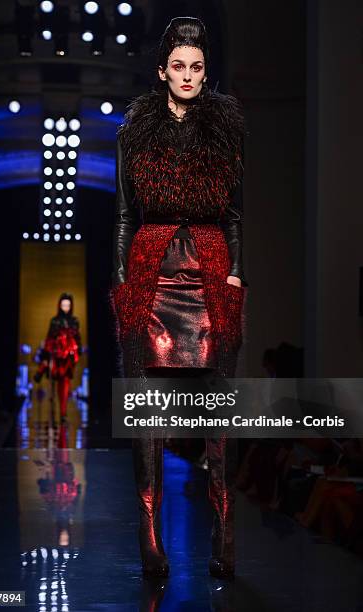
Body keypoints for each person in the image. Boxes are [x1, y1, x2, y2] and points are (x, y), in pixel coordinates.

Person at [111, 17, 249, 579]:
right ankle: (149, 540)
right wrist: (122, 280)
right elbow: (123, 215)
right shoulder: (135, 131)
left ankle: (224, 535)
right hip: (151, 269)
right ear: (162, 69)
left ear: (204, 71)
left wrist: (237, 272)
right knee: (149, 418)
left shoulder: (225, 129)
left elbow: (235, 213)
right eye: (178, 66)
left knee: (216, 416)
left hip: (211, 268)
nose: (187, 75)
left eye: (196, 67)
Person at [34, 293, 82, 423]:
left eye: (68, 305)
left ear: (71, 306)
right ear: (59, 305)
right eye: (63, 304)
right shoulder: (54, 321)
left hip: (68, 358)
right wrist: (46, 354)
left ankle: (62, 413)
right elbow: (49, 338)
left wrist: (78, 351)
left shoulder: (75, 321)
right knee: (55, 383)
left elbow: (78, 339)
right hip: (56, 356)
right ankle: (42, 369)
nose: (65, 307)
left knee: (64, 383)